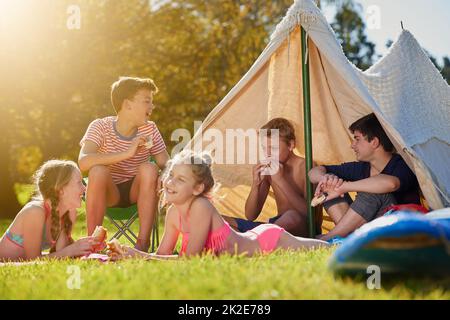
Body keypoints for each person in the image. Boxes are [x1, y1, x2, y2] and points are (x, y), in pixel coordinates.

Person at [118, 150, 329, 259]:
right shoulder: (174, 213)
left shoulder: (201, 207)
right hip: (255, 236)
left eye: (181, 180)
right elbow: (162, 256)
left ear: (198, 189)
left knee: (323, 248)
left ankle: (342, 242)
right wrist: (132, 255)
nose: (170, 182)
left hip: (267, 242)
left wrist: (140, 254)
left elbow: (190, 259)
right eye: (171, 175)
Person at [78, 76, 169, 252]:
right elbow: (84, 162)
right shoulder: (100, 127)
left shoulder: (149, 129)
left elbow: (166, 163)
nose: (152, 107)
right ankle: (93, 244)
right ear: (127, 105)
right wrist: (127, 153)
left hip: (139, 192)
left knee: (149, 168)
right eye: (147, 101)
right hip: (109, 193)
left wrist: (174, 173)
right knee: (97, 171)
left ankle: (142, 244)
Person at [308, 113, 421, 241]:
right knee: (327, 184)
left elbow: (390, 184)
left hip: (401, 230)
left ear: (374, 142)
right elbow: (313, 172)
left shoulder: (403, 164)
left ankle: (327, 239)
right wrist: (325, 179)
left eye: (357, 139)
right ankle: (347, 237)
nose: (352, 145)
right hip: (368, 231)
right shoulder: (362, 167)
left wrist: (343, 187)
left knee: (374, 191)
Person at [223, 118, 319, 236]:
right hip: (277, 225)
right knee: (221, 220)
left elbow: (309, 214)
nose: (267, 154)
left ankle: (256, 238)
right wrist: (256, 184)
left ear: (291, 145)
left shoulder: (307, 166)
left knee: (291, 216)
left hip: (303, 228)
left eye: (273, 148)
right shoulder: (269, 170)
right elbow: (250, 215)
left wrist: (280, 180)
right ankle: (259, 236)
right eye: (264, 148)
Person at [0, 160, 102, 262]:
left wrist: (87, 247)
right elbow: (33, 260)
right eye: (79, 182)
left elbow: (61, 255)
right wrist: (72, 249)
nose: (84, 188)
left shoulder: (68, 212)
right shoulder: (35, 212)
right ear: (60, 189)